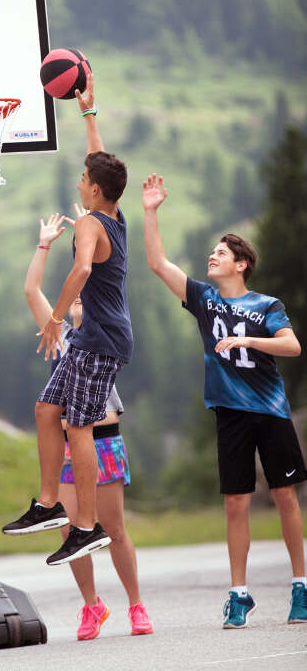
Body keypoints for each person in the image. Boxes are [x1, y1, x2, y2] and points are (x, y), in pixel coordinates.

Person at [142, 172, 307, 628]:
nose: (212, 257)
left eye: (221, 253)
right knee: (236, 502)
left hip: (271, 411)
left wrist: (248, 342)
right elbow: (157, 263)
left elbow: (292, 346)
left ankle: (302, 586)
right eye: (212, 252)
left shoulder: (265, 305)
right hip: (230, 416)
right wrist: (151, 211)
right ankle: (240, 594)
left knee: (285, 496)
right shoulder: (204, 299)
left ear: (241, 265)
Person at [2, 74, 135, 568]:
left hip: (99, 339)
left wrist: (56, 318)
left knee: (79, 428)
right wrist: (88, 114)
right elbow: (101, 164)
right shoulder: (114, 214)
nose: (79, 181)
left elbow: (80, 269)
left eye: (84, 180)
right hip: (97, 338)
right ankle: (48, 505)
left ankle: (85, 527)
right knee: (46, 411)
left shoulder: (88, 223)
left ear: (95, 191)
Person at [23, 210, 153, 639]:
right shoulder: (59, 336)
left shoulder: (102, 336)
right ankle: (92, 606)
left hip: (104, 440)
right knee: (68, 525)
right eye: (73, 298)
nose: (77, 299)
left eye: (81, 296)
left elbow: (96, 273)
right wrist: (44, 244)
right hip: (68, 445)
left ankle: (136, 604)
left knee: (113, 528)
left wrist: (92, 233)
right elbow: (32, 290)